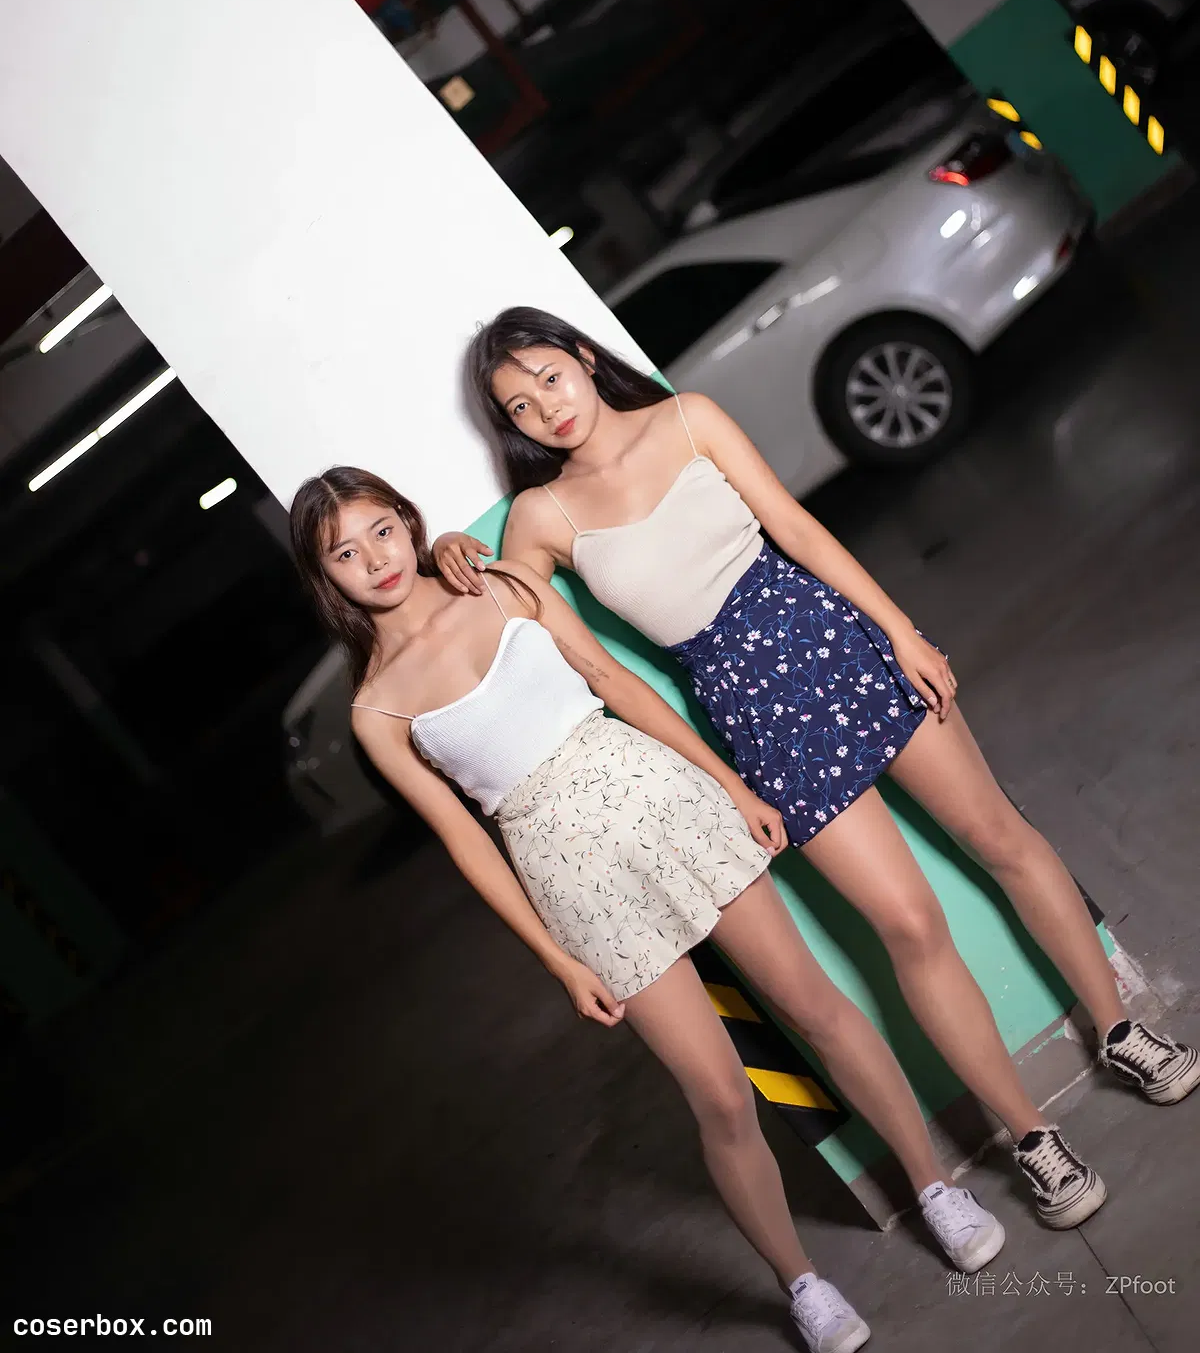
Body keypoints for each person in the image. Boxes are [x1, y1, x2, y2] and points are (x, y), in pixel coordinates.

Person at [434, 306, 1200, 1229]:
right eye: (519, 408)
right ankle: (1031, 1136)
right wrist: (450, 555)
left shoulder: (689, 418)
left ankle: (1120, 1029)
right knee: (907, 923)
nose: (546, 408)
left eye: (549, 378)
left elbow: (796, 529)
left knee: (1000, 836)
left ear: (585, 359)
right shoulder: (541, 514)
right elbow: (506, 614)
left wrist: (898, 630)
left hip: (830, 636)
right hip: (754, 713)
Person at [292, 466, 1011, 1353]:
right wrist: (558, 960)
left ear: (408, 522)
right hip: (568, 874)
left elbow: (614, 682)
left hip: (662, 797)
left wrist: (731, 785)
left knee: (816, 1007)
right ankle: (803, 1287)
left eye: (381, 531)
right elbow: (464, 841)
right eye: (345, 554)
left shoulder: (501, 584)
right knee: (719, 1096)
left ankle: (935, 1189)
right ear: (327, 579)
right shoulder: (375, 710)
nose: (375, 560)